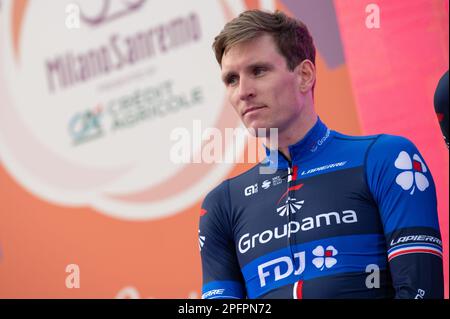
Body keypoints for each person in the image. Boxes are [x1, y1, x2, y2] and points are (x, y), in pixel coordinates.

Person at [199, 9, 444, 299]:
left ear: (304, 75)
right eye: (231, 79)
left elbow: (421, 291)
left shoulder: (386, 159)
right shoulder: (221, 205)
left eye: (258, 71)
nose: (243, 91)